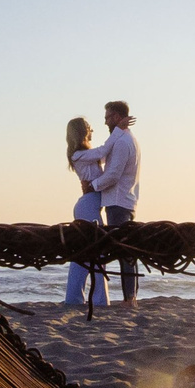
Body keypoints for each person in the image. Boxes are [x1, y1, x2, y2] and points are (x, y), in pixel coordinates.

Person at [92, 100, 141, 303]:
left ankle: (130, 298)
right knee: (126, 251)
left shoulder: (122, 142)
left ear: (118, 117)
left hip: (119, 201)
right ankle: (131, 297)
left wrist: (92, 185)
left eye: (108, 117)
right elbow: (104, 153)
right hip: (123, 200)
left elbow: (113, 174)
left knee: (124, 252)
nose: (105, 122)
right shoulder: (122, 138)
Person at [63, 117, 108, 308]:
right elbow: (104, 151)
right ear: (82, 131)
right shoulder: (79, 154)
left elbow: (104, 155)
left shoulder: (86, 154)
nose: (92, 130)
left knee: (84, 254)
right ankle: (97, 300)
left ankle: (75, 298)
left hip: (90, 204)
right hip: (88, 205)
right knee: (97, 253)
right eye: (89, 128)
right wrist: (119, 132)